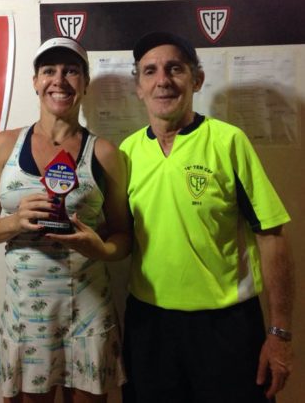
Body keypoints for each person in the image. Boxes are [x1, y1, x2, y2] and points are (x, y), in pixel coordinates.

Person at [119, 32, 294, 403]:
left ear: (196, 79)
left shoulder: (228, 142)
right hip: (150, 326)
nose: (162, 80)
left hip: (226, 326)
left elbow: (272, 236)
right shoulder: (127, 152)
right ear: (138, 88)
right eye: (150, 71)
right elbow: (118, 237)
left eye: (175, 69)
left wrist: (279, 333)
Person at [0, 37, 131, 403]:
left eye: (71, 71)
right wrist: (15, 222)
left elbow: (124, 237)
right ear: (35, 82)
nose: (59, 80)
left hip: (88, 309)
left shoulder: (105, 153)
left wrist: (100, 249)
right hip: (25, 312)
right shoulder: (4, 145)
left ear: (85, 84)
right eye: (49, 71)